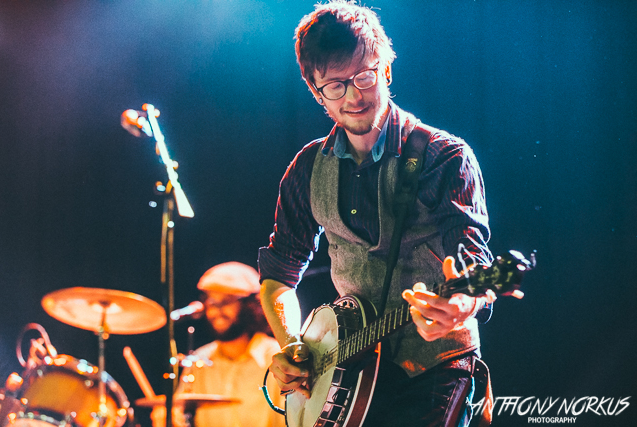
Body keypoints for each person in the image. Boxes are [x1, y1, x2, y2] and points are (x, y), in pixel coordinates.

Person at [258, 1, 496, 426]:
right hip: (351, 377)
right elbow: (278, 276)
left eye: (364, 76)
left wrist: (463, 302)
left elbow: (475, 264)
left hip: (435, 367)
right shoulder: (306, 169)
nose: (353, 96)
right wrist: (292, 344)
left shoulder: (443, 156)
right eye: (335, 85)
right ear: (315, 91)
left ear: (385, 70)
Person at [151, 262, 284, 427]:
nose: (217, 310)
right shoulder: (199, 360)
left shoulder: (277, 358)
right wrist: (168, 419)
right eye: (212, 302)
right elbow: (180, 414)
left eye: (227, 301)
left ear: (250, 305)